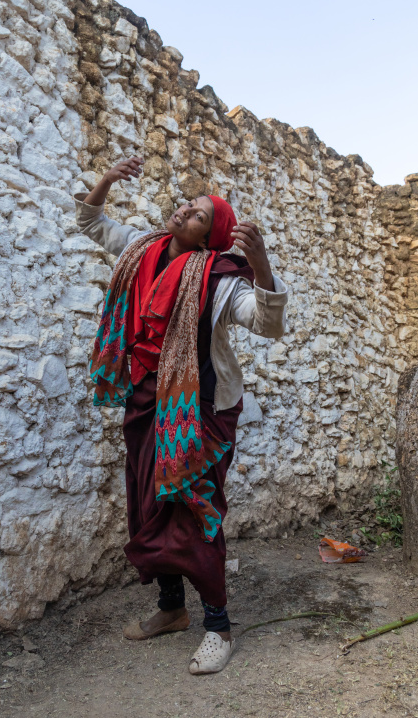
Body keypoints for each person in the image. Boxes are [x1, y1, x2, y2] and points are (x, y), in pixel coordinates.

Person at [74, 156, 288, 675]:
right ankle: (171, 609)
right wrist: (105, 180)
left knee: (194, 508)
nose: (183, 211)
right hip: (146, 401)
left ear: (209, 238)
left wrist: (261, 264)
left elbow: (267, 323)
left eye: (197, 214)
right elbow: (90, 222)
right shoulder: (140, 249)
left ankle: (219, 626)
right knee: (147, 504)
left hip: (199, 410)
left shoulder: (218, 278)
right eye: (186, 205)